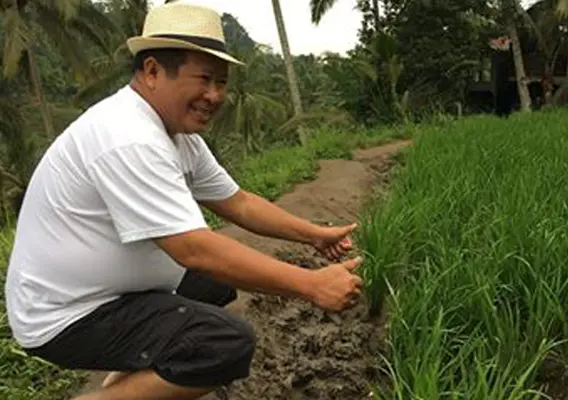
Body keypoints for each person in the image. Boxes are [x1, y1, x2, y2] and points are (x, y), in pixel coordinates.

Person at [3, 3, 364, 400]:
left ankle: (141, 373)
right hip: (67, 313)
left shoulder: (177, 135)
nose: (214, 95)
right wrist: (311, 285)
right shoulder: (128, 137)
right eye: (205, 79)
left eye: (222, 82)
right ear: (153, 71)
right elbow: (194, 250)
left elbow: (238, 203)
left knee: (217, 285)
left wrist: (314, 235)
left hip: (111, 288)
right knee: (224, 344)